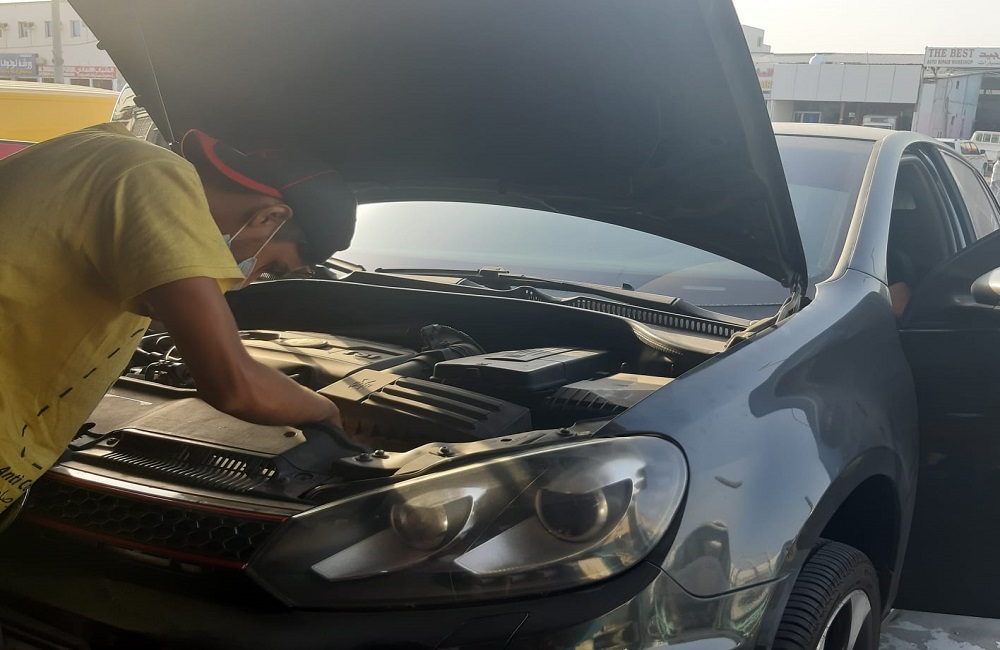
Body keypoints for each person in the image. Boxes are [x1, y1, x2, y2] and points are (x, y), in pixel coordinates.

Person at [0, 122, 357, 516]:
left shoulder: (104, 153)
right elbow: (233, 385)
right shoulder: (156, 179)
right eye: (271, 267)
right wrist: (325, 412)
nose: (248, 279)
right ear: (269, 218)